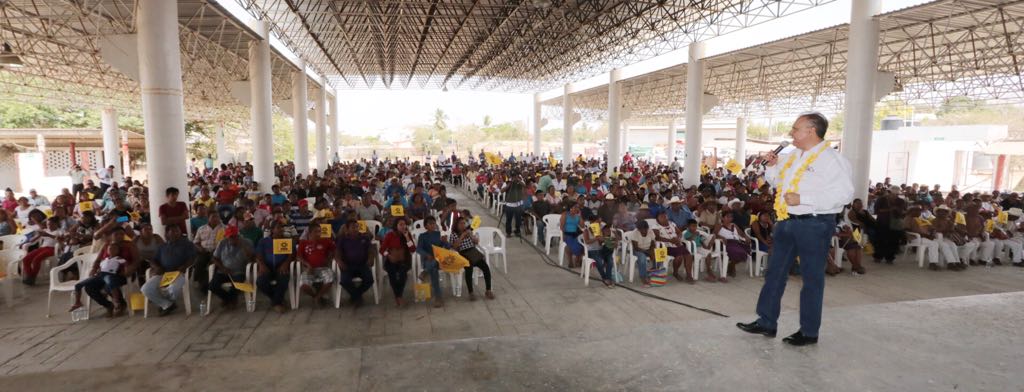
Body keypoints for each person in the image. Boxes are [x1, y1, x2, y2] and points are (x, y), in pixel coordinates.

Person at [738, 112, 854, 346]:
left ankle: (809, 331)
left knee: (811, 279)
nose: (791, 133)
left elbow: (844, 194)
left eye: (795, 128)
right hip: (786, 221)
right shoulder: (792, 156)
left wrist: (804, 198)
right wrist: (772, 167)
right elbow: (778, 183)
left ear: (811, 131)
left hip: (814, 223)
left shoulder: (832, 160)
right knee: (775, 273)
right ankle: (766, 321)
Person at [141, 224, 196, 316]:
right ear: (167, 233)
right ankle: (167, 304)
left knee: (172, 289)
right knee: (146, 289)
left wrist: (185, 266)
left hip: (179, 273)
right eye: (173, 231)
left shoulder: (187, 244)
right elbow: (153, 260)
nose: (177, 233)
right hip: (163, 273)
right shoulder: (162, 246)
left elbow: (192, 258)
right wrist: (156, 267)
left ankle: (166, 303)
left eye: (178, 231)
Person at [70, 242, 132, 318]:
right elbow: (99, 267)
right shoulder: (104, 259)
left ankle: (117, 302)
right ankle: (78, 302)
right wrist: (95, 270)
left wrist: (126, 271)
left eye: (114, 249)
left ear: (118, 251)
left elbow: (126, 264)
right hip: (100, 275)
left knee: (110, 283)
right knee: (79, 285)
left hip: (110, 274)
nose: (112, 250)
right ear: (107, 251)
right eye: (110, 249)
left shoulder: (118, 259)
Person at [209, 226, 253, 311]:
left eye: (235, 236)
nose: (232, 239)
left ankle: (229, 300)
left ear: (238, 235)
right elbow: (214, 258)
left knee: (237, 284)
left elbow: (252, 258)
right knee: (212, 285)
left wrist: (242, 246)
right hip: (224, 271)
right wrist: (222, 268)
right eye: (230, 237)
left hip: (239, 271)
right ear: (226, 236)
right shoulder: (222, 243)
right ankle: (229, 299)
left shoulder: (246, 242)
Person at [450, 217, 494, 300]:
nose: (463, 225)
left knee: (485, 267)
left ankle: (488, 290)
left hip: (472, 252)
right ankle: (471, 292)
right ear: (456, 225)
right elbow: (454, 247)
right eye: (461, 223)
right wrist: (462, 237)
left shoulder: (468, 231)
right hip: (462, 253)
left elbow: (476, 242)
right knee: (469, 268)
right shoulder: (453, 234)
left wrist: (471, 235)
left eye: (464, 223)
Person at [255, 223, 294, 313]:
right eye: (278, 227)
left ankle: (277, 303)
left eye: (282, 228)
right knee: (260, 282)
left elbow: (291, 255)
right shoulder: (263, 241)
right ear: (272, 230)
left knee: (283, 280)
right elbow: (258, 255)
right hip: (267, 266)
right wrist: (262, 265)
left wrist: (285, 263)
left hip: (281, 266)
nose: (281, 230)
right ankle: (277, 300)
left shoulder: (287, 240)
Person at [336, 219, 374, 307]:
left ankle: (355, 295)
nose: (356, 229)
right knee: (344, 281)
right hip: (348, 265)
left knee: (369, 280)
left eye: (357, 227)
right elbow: (337, 252)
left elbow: (371, 250)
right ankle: (357, 296)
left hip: (362, 264)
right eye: (353, 227)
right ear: (347, 229)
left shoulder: (364, 237)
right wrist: (339, 261)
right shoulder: (343, 239)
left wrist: (371, 258)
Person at [296, 223, 336, 307]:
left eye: (319, 231)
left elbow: (335, 250)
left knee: (330, 279)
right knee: (303, 286)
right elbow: (298, 257)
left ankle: (318, 297)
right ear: (309, 233)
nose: (318, 234)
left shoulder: (325, 241)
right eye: (316, 232)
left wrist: (328, 258)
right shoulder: (303, 243)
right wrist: (307, 265)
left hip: (323, 268)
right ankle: (317, 296)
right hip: (309, 269)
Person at [379, 218, 414, 307]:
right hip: (391, 260)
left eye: (404, 224)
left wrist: (407, 237)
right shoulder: (390, 235)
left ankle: (398, 296)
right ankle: (398, 296)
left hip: (403, 260)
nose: (403, 226)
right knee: (392, 275)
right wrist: (388, 255)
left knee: (403, 275)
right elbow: (382, 250)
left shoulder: (407, 235)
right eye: (401, 224)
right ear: (396, 226)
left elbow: (412, 249)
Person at [415, 217, 448, 308]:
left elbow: (447, 247)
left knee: (434, 262)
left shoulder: (439, 234)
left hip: (439, 259)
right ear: (426, 226)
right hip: (428, 260)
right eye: (430, 223)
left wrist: (445, 242)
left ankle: (425, 272)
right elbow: (418, 249)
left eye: (434, 223)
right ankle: (438, 298)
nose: (433, 225)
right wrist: (426, 255)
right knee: (433, 270)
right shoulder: (422, 236)